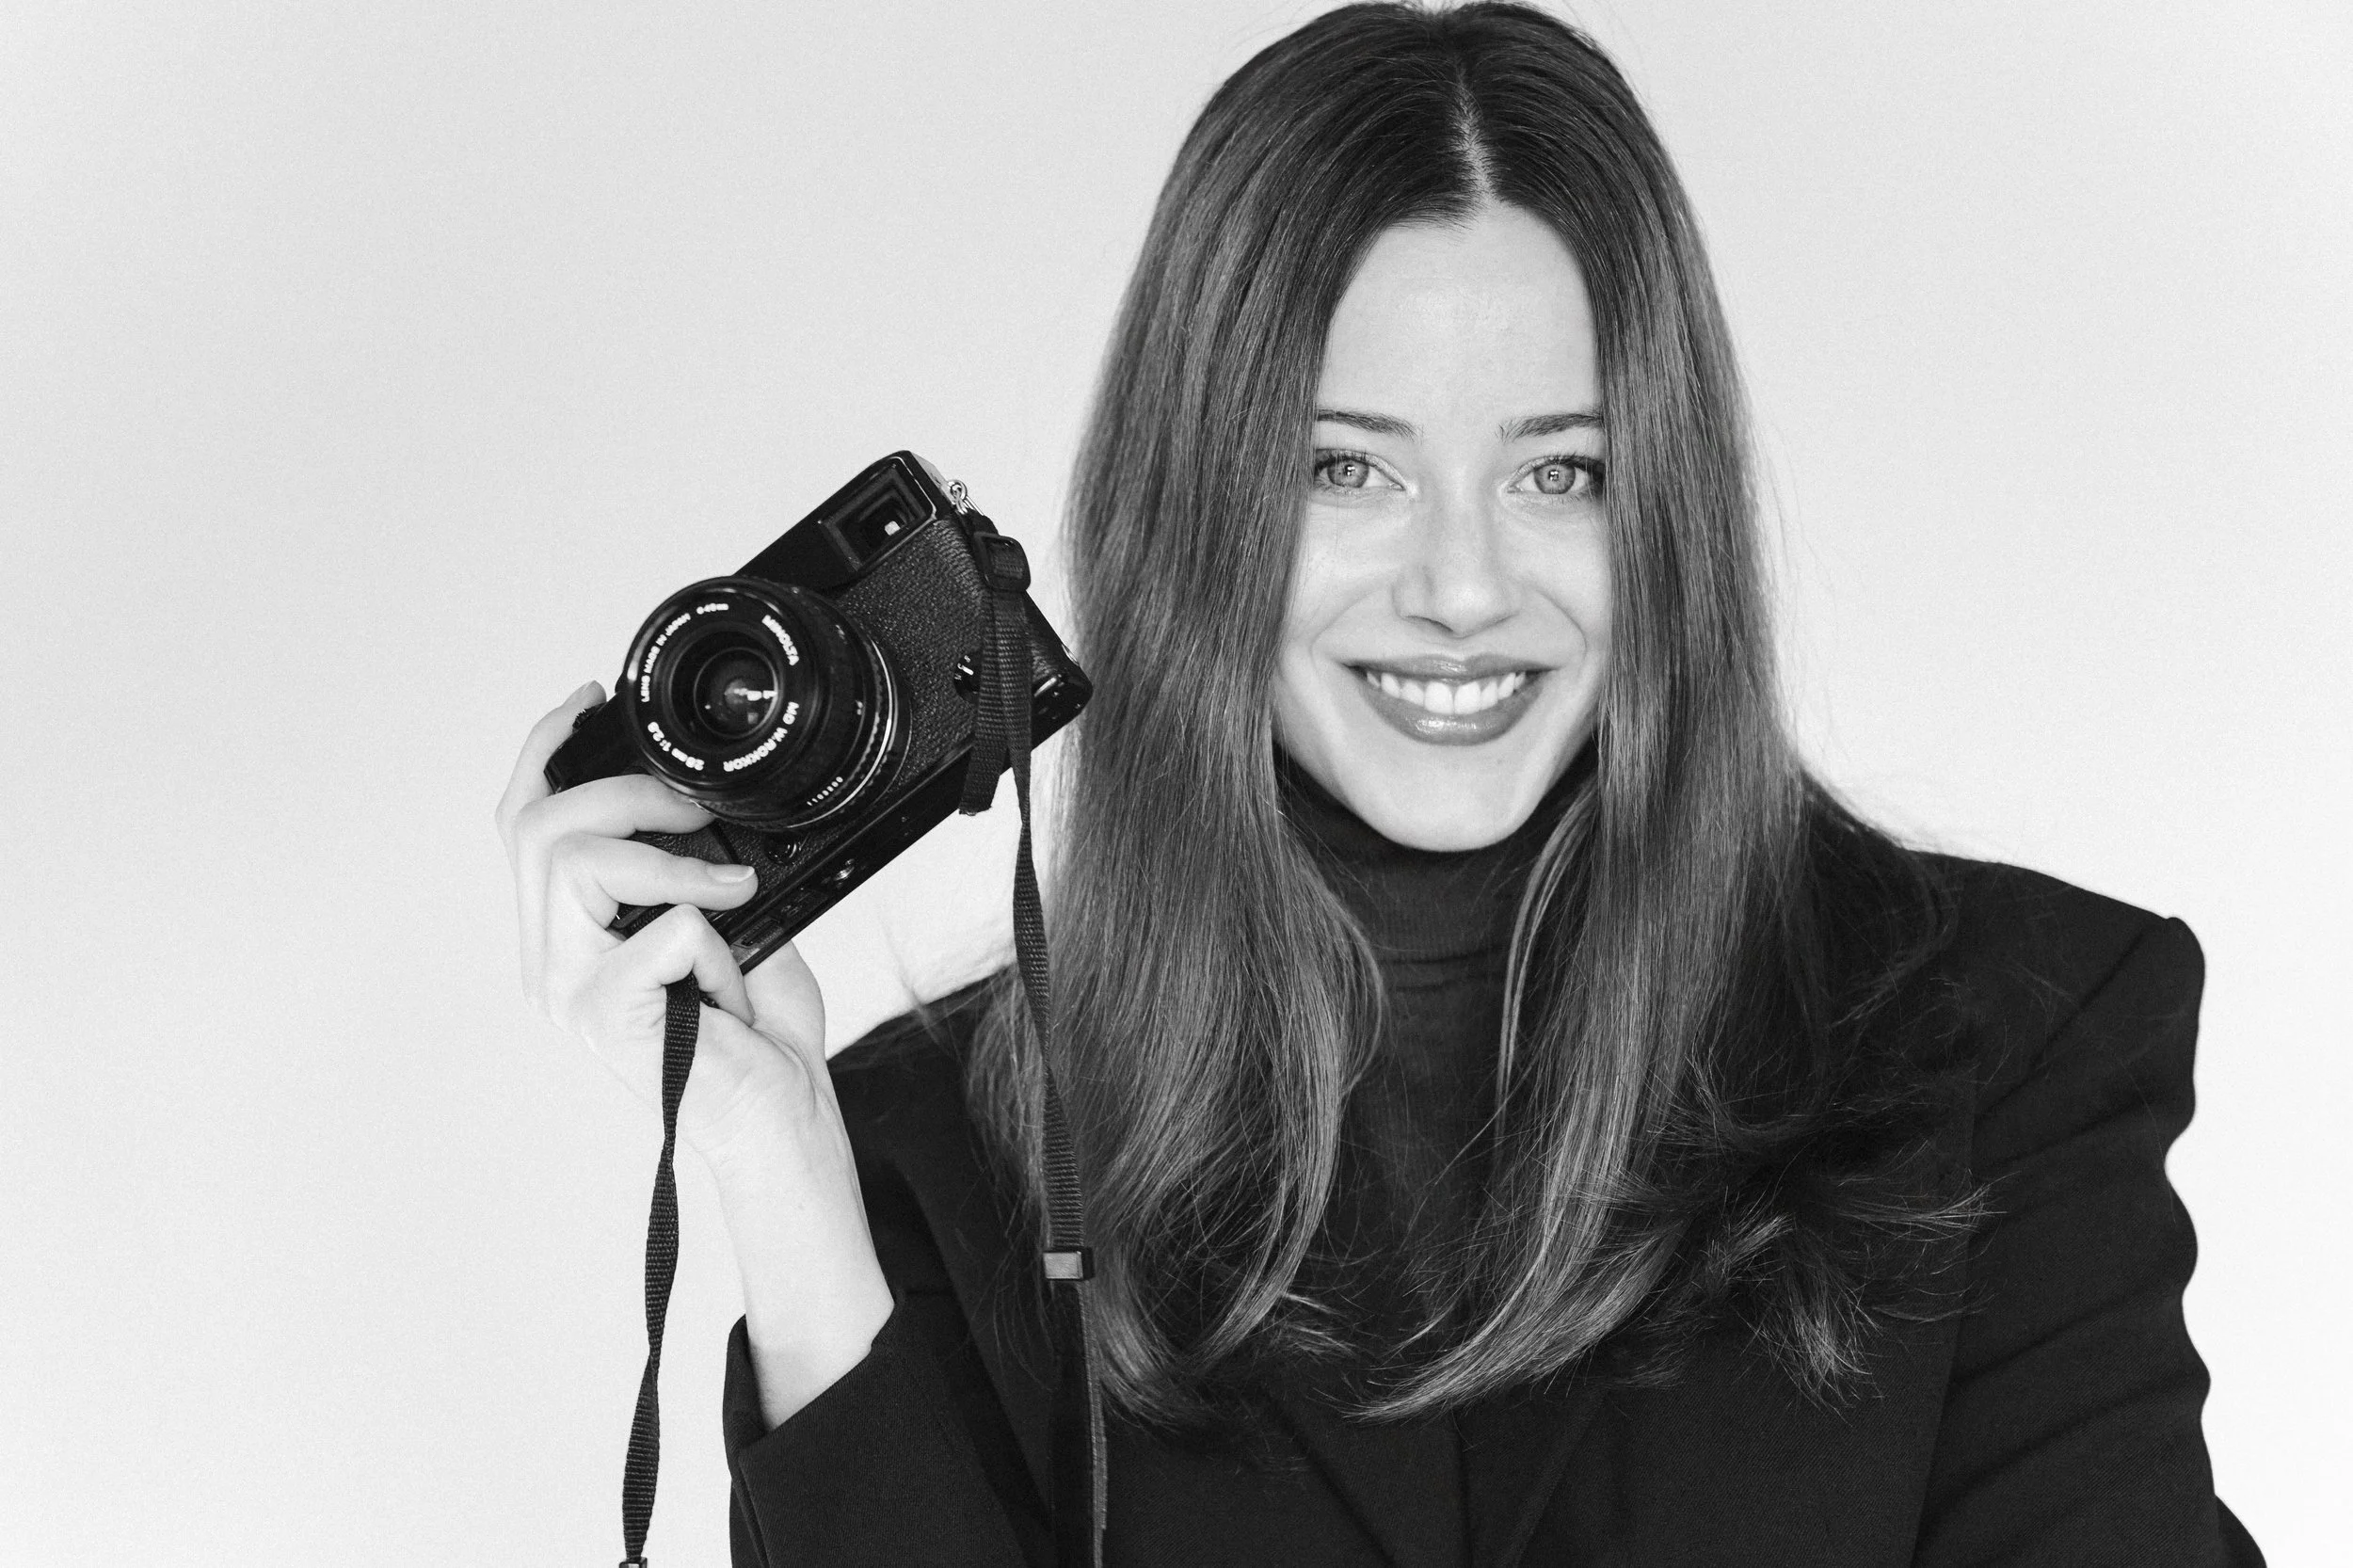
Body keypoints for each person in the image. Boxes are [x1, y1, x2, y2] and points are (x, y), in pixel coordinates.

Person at [496, 5, 2262, 1563]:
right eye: (1351, 470)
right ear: (1198, 508)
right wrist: (772, 1154)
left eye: (1559, 472)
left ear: (1674, 514)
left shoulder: (2015, 1040)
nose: (1467, 585)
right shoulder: (931, 1166)